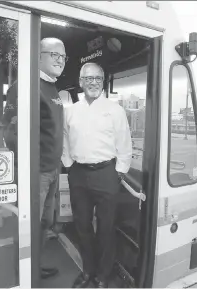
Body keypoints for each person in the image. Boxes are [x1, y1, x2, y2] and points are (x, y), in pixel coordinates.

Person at [62, 62, 133, 288]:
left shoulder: (115, 110)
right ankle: (88, 272)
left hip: (106, 174)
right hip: (79, 175)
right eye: (88, 78)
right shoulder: (70, 111)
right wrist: (69, 165)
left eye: (97, 79)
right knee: (82, 226)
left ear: (103, 83)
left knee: (105, 228)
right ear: (81, 82)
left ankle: (103, 275)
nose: (93, 82)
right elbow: (64, 140)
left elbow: (124, 142)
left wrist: (119, 172)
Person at [3, 37, 67, 280]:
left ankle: (34, 265)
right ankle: (23, 274)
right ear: (38, 56)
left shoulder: (53, 89)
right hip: (35, 173)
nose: (60, 60)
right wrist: (29, 165)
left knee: (44, 223)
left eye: (63, 56)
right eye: (54, 55)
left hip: (52, 171)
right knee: (28, 224)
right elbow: (10, 132)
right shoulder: (25, 86)